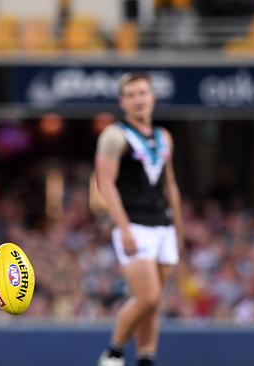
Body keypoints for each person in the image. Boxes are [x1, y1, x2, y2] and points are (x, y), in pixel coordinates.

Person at [93, 72, 183, 366]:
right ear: (123, 102)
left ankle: (146, 358)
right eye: (131, 95)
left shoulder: (164, 137)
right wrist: (123, 227)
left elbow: (169, 184)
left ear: (152, 97)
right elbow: (105, 183)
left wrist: (179, 230)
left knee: (154, 305)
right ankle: (113, 352)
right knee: (148, 297)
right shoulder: (114, 135)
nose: (138, 100)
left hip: (163, 225)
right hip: (134, 224)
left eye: (142, 93)